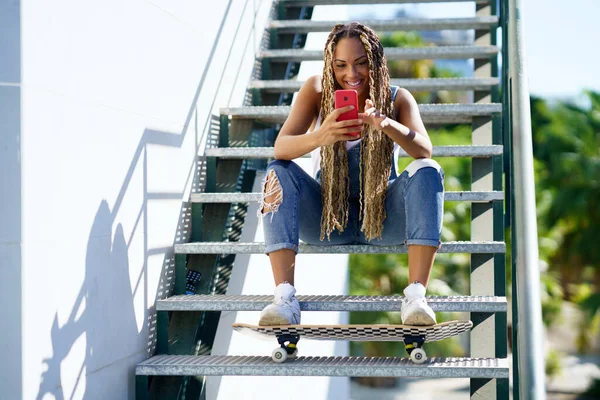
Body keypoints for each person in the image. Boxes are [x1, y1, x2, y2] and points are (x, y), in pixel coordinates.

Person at [256, 22, 444, 327]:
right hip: (328, 220)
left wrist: (385, 125)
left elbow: (424, 149)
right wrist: (322, 136)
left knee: (428, 170)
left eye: (361, 64)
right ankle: (284, 298)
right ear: (331, 64)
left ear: (376, 62)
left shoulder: (397, 99)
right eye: (341, 65)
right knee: (279, 171)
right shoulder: (316, 91)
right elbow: (281, 147)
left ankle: (416, 298)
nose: (351, 75)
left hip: (382, 220)